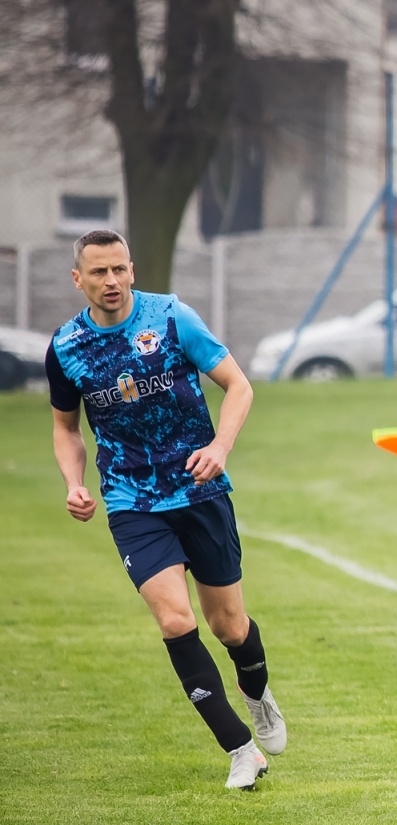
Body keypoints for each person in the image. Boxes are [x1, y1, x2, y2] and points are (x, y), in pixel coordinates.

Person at [46, 229, 283, 790]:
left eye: (120, 270)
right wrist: (73, 482)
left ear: (133, 268)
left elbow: (238, 386)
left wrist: (220, 448)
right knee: (176, 619)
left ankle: (257, 694)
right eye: (99, 273)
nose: (112, 282)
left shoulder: (172, 317)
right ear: (77, 279)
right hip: (132, 500)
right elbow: (64, 427)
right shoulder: (66, 347)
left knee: (229, 625)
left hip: (200, 491)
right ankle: (241, 751)